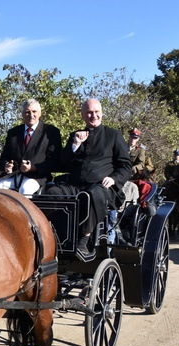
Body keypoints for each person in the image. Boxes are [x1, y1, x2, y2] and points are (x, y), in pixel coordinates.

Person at [49, 98, 133, 257]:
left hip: (101, 187)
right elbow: (63, 161)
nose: (93, 115)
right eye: (89, 112)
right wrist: (75, 145)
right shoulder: (76, 135)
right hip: (74, 185)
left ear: (101, 113)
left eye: (96, 112)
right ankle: (54, 237)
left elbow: (126, 165)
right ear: (83, 115)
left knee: (93, 194)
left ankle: (84, 240)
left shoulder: (114, 135)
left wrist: (114, 178)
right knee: (52, 193)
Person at [0, 98, 63, 196]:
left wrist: (33, 167)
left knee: (25, 191)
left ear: (40, 113)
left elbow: (56, 162)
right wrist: (6, 166)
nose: (31, 115)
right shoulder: (13, 133)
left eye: (34, 111)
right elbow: (3, 159)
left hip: (37, 177)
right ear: (22, 114)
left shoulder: (51, 132)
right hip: (13, 176)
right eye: (27, 112)